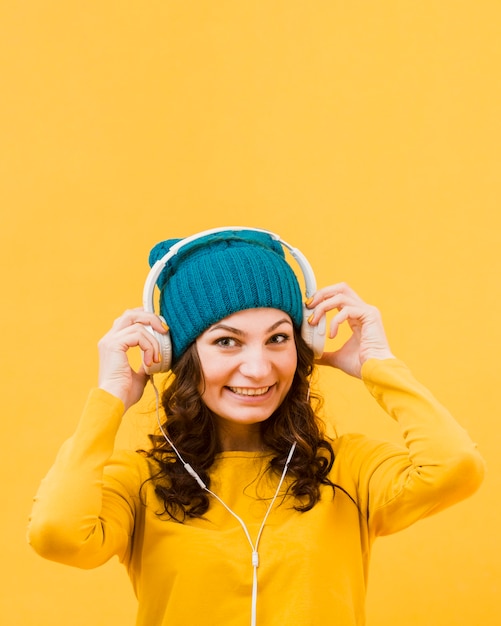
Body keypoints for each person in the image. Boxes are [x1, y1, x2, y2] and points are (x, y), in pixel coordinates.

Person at [28, 228, 484, 626]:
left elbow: (455, 467)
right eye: (227, 341)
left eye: (278, 338)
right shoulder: (140, 483)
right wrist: (111, 396)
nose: (259, 367)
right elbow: (58, 535)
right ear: (179, 356)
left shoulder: (349, 469)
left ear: (304, 343)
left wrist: (377, 364)